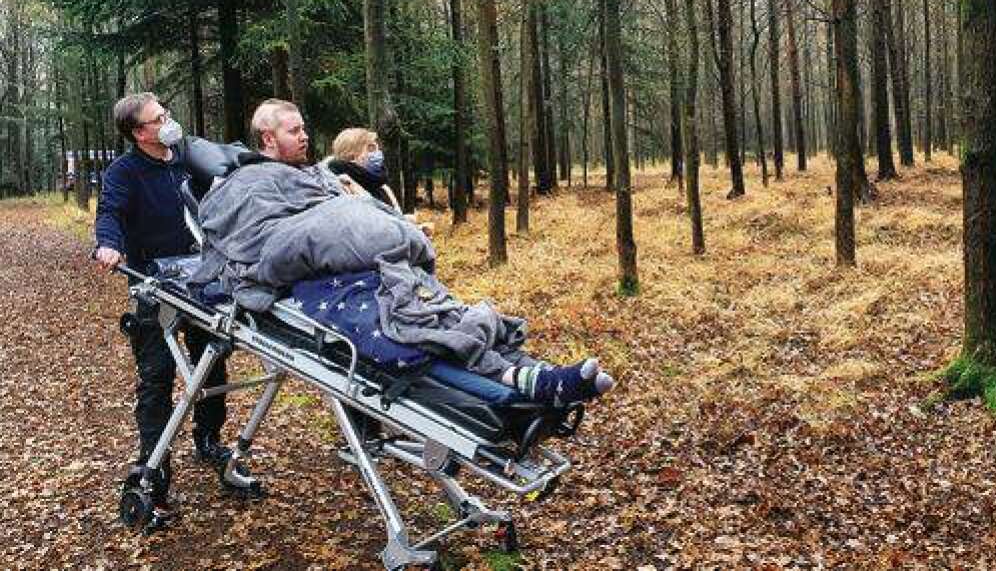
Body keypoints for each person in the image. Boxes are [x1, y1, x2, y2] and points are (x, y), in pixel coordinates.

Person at [204, 103, 615, 406]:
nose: (305, 136)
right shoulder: (248, 183)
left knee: (436, 308)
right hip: (325, 287)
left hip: (374, 269)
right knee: (410, 329)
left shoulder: (315, 176)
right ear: (268, 138)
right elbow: (259, 244)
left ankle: (539, 373)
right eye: (294, 131)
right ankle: (519, 380)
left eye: (304, 128)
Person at [94, 92, 259, 529]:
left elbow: (229, 182)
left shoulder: (189, 157)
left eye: (167, 114)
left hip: (204, 282)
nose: (169, 122)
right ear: (138, 132)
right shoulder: (124, 173)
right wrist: (109, 244)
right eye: (158, 118)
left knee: (213, 365)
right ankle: (156, 466)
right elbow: (109, 213)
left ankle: (209, 439)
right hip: (155, 288)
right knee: (157, 377)